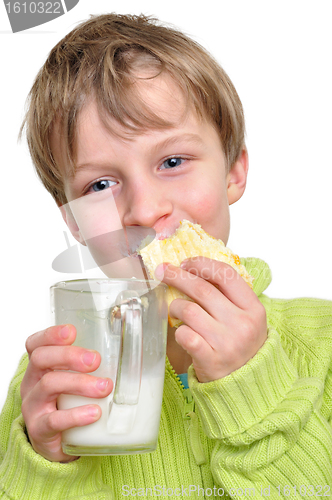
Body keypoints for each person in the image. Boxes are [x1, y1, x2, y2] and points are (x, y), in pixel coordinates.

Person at [0, 13, 331, 499]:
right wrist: (46, 466)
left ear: (234, 171)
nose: (146, 209)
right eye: (101, 184)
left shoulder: (322, 344)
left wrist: (251, 386)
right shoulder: (55, 381)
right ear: (73, 219)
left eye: (172, 162)